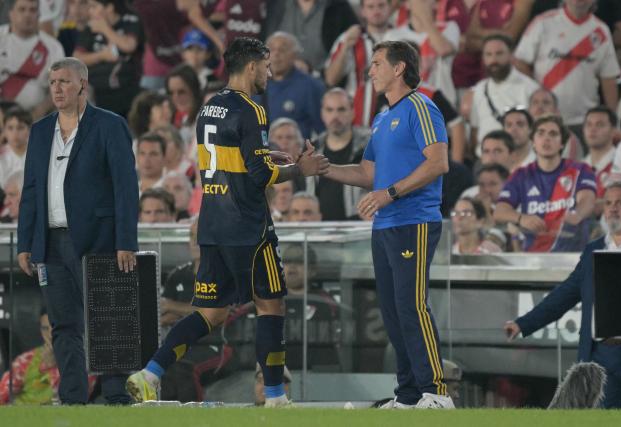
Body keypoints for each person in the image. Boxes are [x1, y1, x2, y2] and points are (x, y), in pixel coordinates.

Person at [125, 37, 329, 407]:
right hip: (248, 226)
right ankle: (276, 397)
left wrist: (271, 156)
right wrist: (301, 169)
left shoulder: (210, 107)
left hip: (213, 224)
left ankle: (150, 373)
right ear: (251, 67)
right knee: (271, 305)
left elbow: (235, 157)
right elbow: (256, 176)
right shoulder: (252, 108)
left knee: (211, 312)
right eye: (265, 66)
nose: (268, 72)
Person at [323, 40, 454, 409]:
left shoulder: (422, 106)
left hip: (414, 219)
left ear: (399, 69)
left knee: (412, 305)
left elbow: (438, 162)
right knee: (394, 311)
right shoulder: (382, 118)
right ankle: (410, 395)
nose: (370, 70)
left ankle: (437, 392)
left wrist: (390, 193)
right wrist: (324, 169)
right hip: (385, 225)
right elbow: (368, 173)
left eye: (377, 63)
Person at [16, 57, 138, 405]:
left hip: (99, 239)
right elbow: (31, 190)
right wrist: (27, 242)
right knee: (63, 325)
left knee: (108, 318)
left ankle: (115, 392)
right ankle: (73, 396)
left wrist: (125, 241)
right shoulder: (40, 131)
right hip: (51, 242)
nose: (57, 88)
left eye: (64, 81)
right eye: (52, 82)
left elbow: (125, 188)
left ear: (82, 85)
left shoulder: (109, 125)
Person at [504, 182, 621, 409]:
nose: (613, 208)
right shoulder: (592, 250)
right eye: (608, 203)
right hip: (600, 355)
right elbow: (564, 295)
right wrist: (523, 324)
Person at [513, 0, 619, 138]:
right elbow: (520, 62)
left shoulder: (601, 30)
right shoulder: (543, 22)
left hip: (585, 122)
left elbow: (609, 79)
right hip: (544, 120)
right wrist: (538, 96)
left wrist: (613, 122)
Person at [494, 115, 597, 252]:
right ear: (533, 142)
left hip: (573, 255)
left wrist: (577, 214)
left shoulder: (579, 170)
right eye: (541, 133)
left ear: (562, 143)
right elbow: (500, 211)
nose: (546, 138)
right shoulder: (521, 175)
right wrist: (521, 218)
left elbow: (587, 200)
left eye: (553, 134)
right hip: (534, 258)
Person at [324, 0, 392, 127]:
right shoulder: (349, 38)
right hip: (358, 119)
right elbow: (331, 79)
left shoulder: (402, 38)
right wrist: (346, 46)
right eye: (370, 7)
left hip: (395, 119)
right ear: (363, 11)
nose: (376, 11)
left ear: (390, 8)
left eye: (381, 5)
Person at [469, 34, 539, 158]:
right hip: (484, 160)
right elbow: (475, 129)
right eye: (488, 54)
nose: (493, 60)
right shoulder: (479, 89)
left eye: (499, 53)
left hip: (519, 160)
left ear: (511, 55)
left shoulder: (530, 88)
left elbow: (537, 129)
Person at [73, 0, 144, 117]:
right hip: (98, 93)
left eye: (94, 7)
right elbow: (77, 58)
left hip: (128, 91)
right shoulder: (91, 27)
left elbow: (129, 45)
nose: (90, 11)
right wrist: (101, 55)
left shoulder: (130, 21)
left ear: (109, 7)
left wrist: (105, 29)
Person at [307, 88, 369, 220]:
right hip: (316, 231)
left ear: (353, 112)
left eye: (341, 110)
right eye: (329, 110)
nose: (335, 116)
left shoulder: (369, 148)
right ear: (322, 113)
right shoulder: (311, 150)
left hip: (358, 230)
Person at [0, 0, 65, 118]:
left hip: (38, 115)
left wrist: (36, 114)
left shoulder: (53, 47)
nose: (27, 15)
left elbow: (59, 87)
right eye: (22, 9)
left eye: (32, 10)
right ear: (11, 14)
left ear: (39, 15)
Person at [262, 32, 325, 139]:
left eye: (282, 50)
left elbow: (322, 131)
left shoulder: (311, 86)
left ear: (294, 55)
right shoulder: (255, 85)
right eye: (271, 49)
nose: (276, 54)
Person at [0, 107, 31, 188]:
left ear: (29, 130)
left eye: (20, 128)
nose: (15, 133)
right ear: (4, 131)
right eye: (10, 128)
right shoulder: (2, 157)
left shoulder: (38, 151)